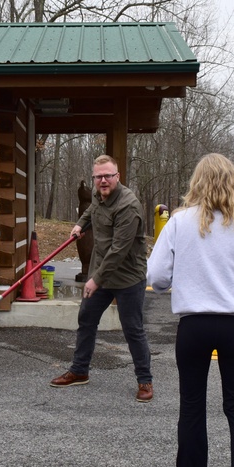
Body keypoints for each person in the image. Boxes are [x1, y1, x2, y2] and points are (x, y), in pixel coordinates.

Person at [147, 153, 234, 467]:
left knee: (192, 403)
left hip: (195, 325)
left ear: (196, 182)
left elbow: (157, 277)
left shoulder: (179, 223)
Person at [49, 154, 154, 402]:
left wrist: (94, 279)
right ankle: (79, 370)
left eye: (108, 176)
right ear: (94, 178)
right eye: (99, 177)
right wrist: (80, 225)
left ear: (117, 176)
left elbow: (119, 251)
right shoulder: (99, 195)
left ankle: (145, 380)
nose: (103, 181)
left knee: (132, 329)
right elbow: (92, 210)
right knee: (86, 319)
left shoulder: (128, 206)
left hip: (127, 277)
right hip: (102, 274)